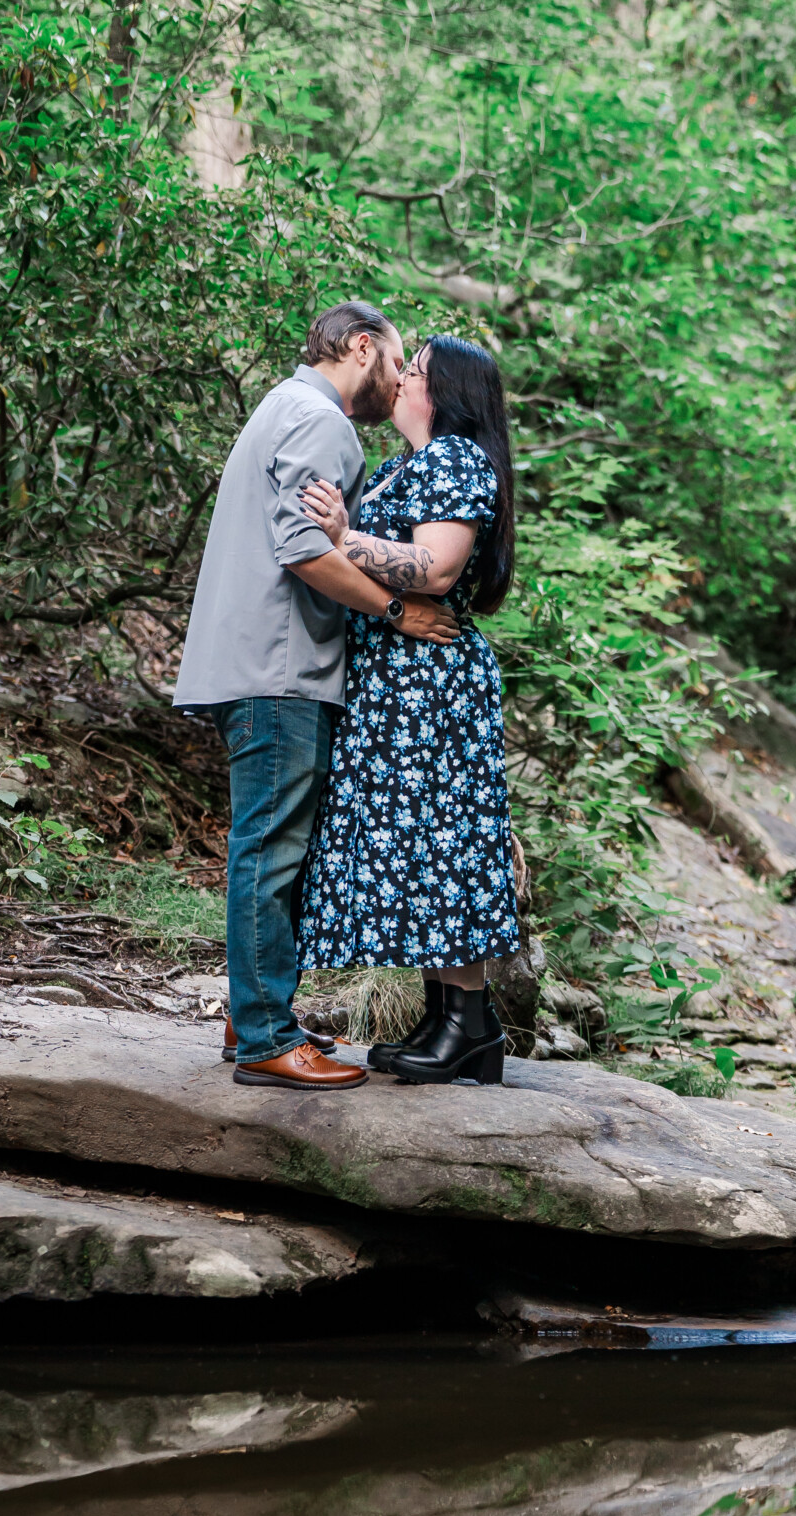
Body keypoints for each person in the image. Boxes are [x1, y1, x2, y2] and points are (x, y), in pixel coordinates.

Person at [173, 303, 459, 1090]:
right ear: (360, 347)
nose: (401, 379)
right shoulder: (321, 420)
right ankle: (265, 1039)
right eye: (397, 362)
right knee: (270, 851)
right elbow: (303, 550)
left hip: (261, 665)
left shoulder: (282, 405)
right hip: (280, 669)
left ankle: (253, 1017)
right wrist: (399, 611)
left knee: (272, 847)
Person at [296, 334, 519, 1086]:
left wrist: (341, 538)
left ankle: (468, 1026)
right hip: (402, 681)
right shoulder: (408, 466)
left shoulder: (454, 459)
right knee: (423, 847)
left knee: (442, 843)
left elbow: (439, 565)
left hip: (431, 683)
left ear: (446, 393)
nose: (397, 379)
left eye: (413, 371)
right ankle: (449, 1020)